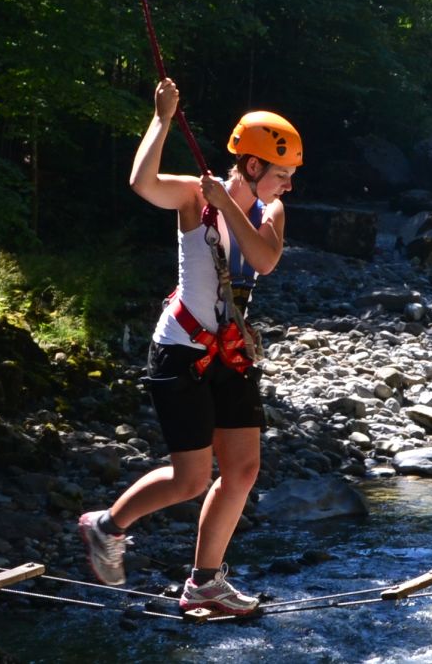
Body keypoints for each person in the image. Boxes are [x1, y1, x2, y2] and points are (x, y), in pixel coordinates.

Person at [78, 77, 300, 616]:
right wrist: (161, 118)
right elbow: (141, 182)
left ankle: (205, 582)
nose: (288, 186)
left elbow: (264, 260)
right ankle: (107, 526)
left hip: (231, 353)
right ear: (253, 166)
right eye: (282, 175)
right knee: (192, 478)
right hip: (181, 349)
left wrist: (231, 207)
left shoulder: (268, 213)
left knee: (243, 471)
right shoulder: (194, 197)